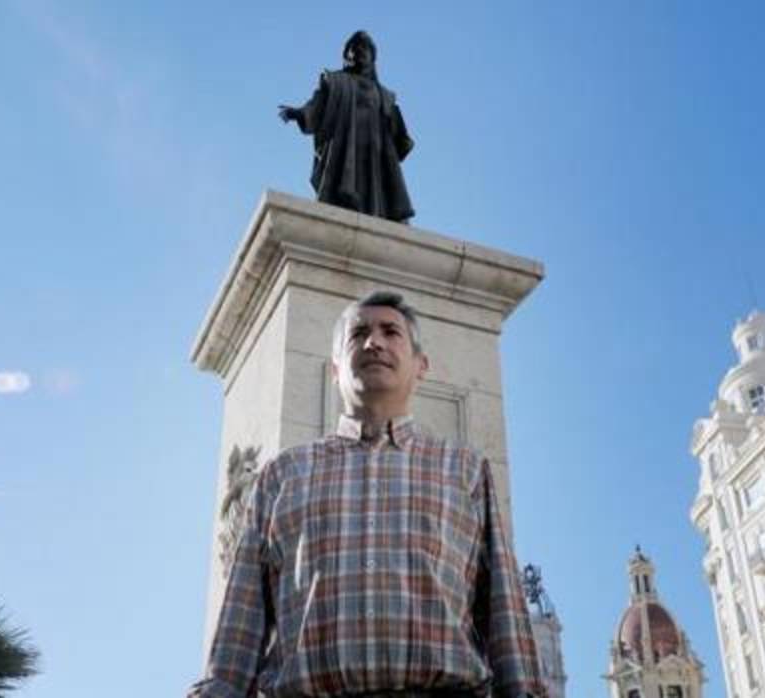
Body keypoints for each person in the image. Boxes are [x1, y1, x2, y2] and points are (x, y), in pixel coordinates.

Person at [191, 291, 544, 697]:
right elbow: (242, 619)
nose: (373, 342)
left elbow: (502, 608)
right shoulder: (282, 474)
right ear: (335, 371)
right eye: (358, 333)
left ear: (420, 366)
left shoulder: (464, 469)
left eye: (390, 332)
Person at [279, 31, 415, 223]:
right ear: (346, 55)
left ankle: (375, 217)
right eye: (353, 48)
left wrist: (401, 136)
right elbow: (317, 104)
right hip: (345, 146)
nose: (358, 51)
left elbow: (396, 127)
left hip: (376, 153)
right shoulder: (335, 81)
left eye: (363, 48)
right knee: (347, 187)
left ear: (372, 56)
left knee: (375, 189)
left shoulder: (384, 94)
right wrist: (300, 113)